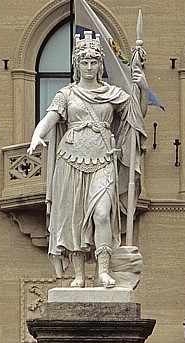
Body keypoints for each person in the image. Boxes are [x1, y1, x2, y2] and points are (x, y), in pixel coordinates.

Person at [27, 31, 148, 288]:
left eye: (94, 62)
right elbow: (49, 119)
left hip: (104, 159)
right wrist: (37, 136)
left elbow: (137, 116)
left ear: (100, 65)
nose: (90, 67)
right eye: (84, 62)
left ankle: (103, 271)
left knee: (102, 214)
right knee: (74, 217)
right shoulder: (67, 94)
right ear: (77, 64)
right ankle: (79, 275)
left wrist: (143, 86)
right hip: (70, 160)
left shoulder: (113, 93)